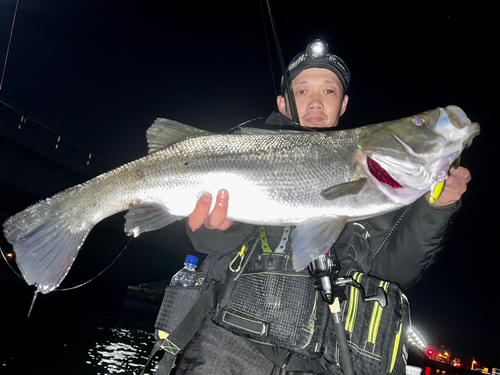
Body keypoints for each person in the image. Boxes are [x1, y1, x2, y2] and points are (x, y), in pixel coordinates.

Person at [170, 40, 471, 375]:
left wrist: (436, 208)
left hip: (322, 362)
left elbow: (395, 273)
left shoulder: (378, 183)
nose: (315, 102)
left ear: (342, 104)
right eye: (302, 91)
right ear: (283, 103)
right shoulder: (243, 153)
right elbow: (209, 246)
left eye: (328, 91)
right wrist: (212, 230)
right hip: (228, 349)